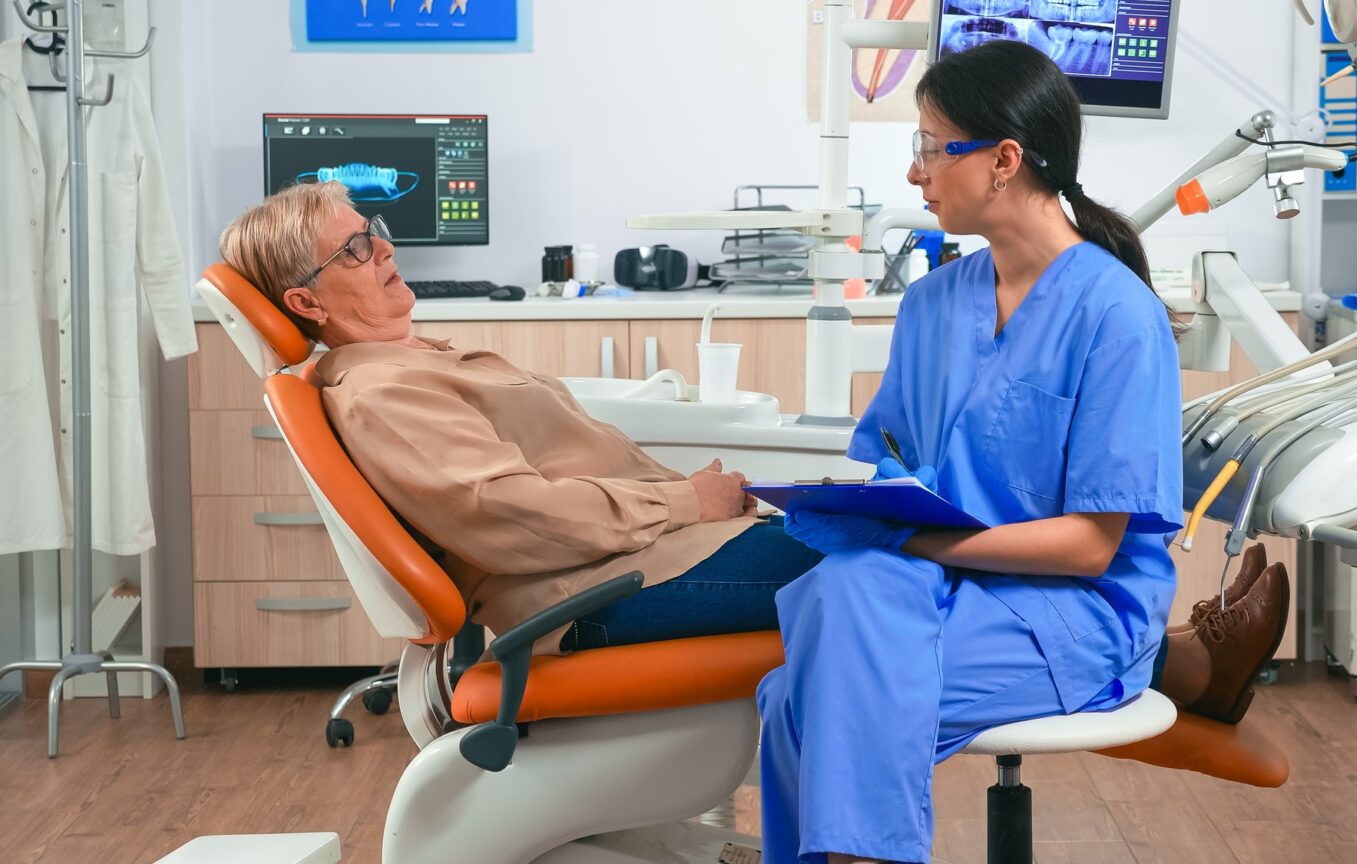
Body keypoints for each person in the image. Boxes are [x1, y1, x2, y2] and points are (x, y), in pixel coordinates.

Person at [216, 175, 1282, 722]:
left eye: (378, 230)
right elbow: (511, 513)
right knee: (883, 553)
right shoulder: (383, 392)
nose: (386, 251)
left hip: (626, 566)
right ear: (307, 300)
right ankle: (1178, 663)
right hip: (592, 599)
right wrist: (687, 502)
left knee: (894, 533)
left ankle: (1170, 657)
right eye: (357, 247)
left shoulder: (406, 361)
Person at [753, 40, 1286, 864]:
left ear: (1004, 160)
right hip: (932, 586)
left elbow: (1088, 545)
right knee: (843, 595)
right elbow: (901, 471)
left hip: (1066, 608)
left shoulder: (1117, 316)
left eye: (932, 149)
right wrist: (884, 520)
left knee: (806, 692)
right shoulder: (931, 307)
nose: (914, 174)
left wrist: (915, 539)